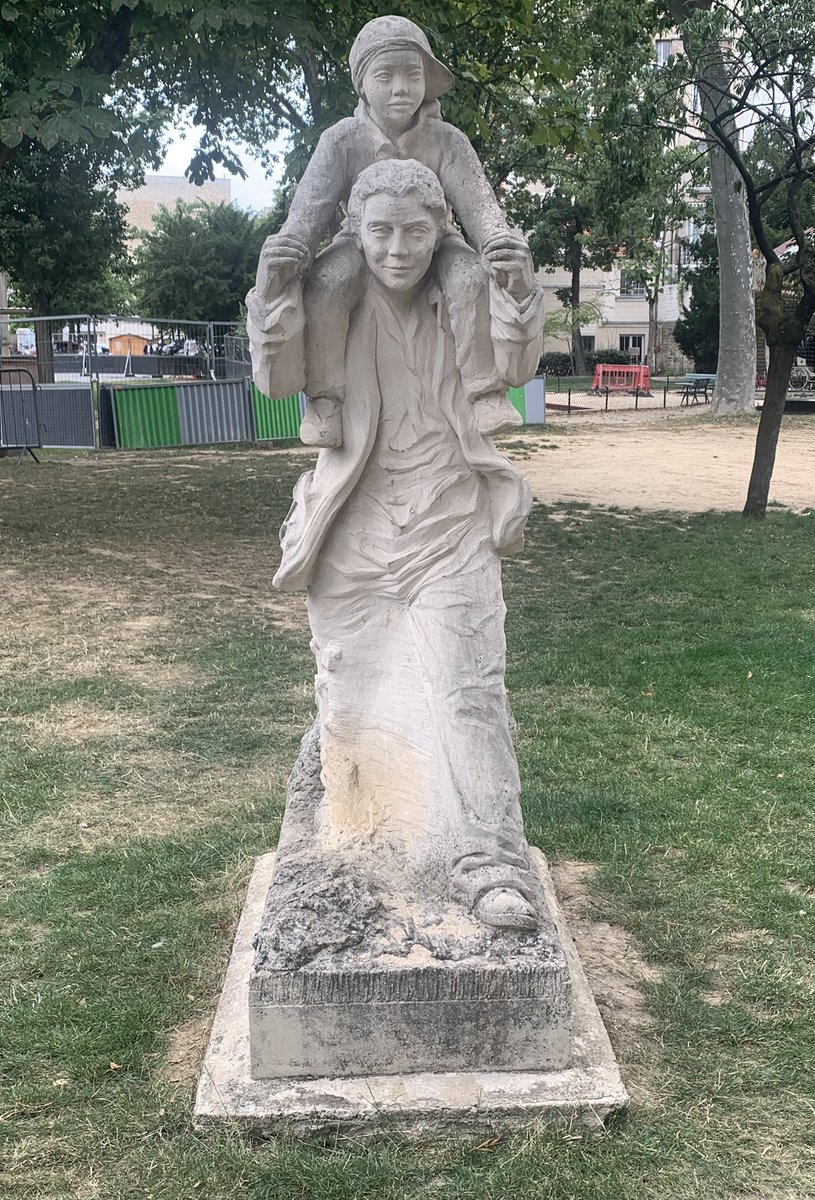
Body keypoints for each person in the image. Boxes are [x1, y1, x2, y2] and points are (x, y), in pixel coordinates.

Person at [247, 158, 544, 931]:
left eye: (416, 231)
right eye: (380, 231)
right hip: (355, 532)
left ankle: (492, 863)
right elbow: (278, 382)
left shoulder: (460, 294)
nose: (398, 249)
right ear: (357, 231)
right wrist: (275, 294)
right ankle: (361, 855)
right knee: (350, 696)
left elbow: (514, 366)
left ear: (440, 231)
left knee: (470, 693)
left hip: (449, 523)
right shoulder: (336, 303)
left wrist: (517, 295)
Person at [255, 14, 527, 448]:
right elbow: (309, 209)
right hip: (362, 244)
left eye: (412, 75)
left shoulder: (447, 140)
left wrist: (498, 246)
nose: (401, 88)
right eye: (386, 75)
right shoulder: (342, 139)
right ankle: (327, 401)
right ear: (363, 83)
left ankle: (485, 391)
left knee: (470, 279)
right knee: (328, 282)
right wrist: (293, 249)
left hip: (435, 242)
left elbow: (481, 210)